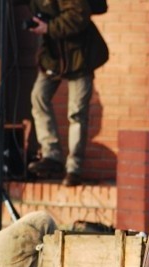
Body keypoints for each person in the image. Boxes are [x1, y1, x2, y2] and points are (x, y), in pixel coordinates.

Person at [24, 0, 108, 187]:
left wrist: (49, 27)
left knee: (77, 112)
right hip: (53, 57)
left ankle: (74, 168)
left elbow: (80, 14)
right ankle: (51, 155)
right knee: (38, 97)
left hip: (80, 56)